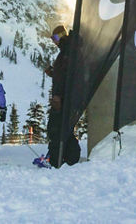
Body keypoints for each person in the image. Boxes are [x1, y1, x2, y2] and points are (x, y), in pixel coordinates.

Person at [43, 25, 80, 168]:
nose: (54, 41)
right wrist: (53, 72)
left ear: (63, 35)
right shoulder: (67, 50)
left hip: (64, 98)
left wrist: (59, 96)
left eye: (56, 37)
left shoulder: (68, 51)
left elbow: (69, 77)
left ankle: (55, 160)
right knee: (65, 128)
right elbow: (64, 74)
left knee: (55, 128)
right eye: (53, 38)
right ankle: (70, 159)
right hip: (66, 97)